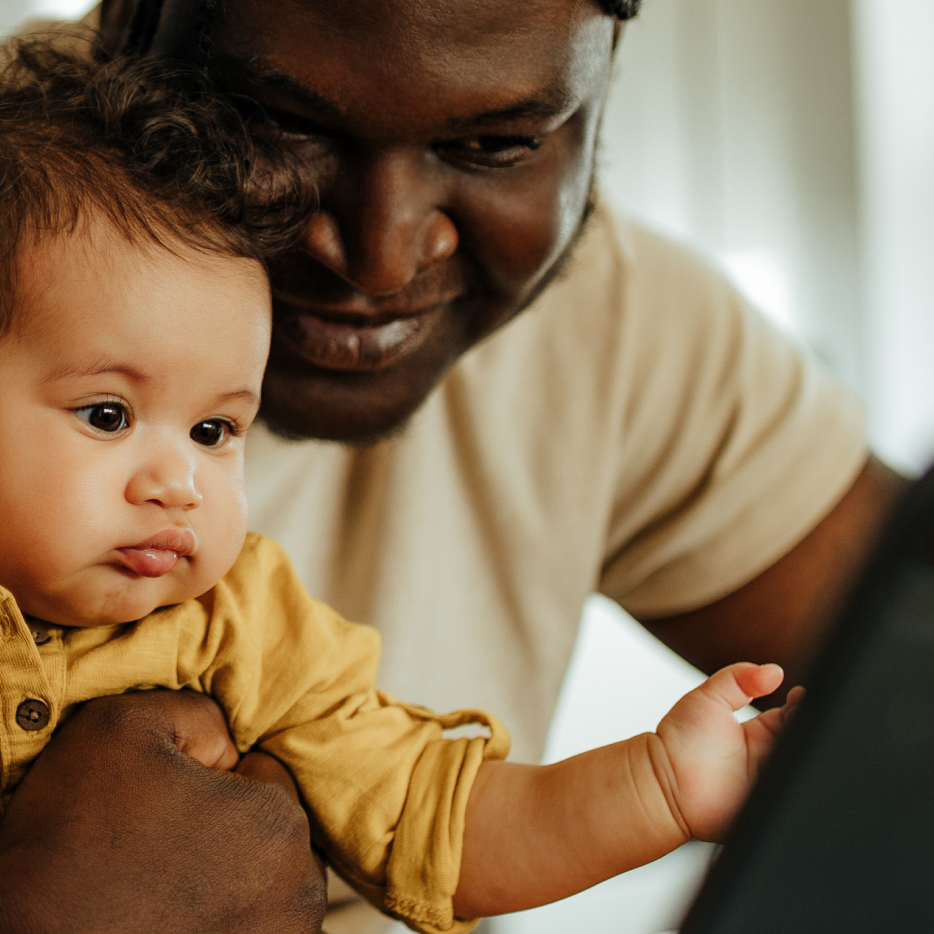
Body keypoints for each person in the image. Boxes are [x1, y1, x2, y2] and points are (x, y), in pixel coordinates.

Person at [7, 1, 910, 931]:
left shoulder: (242, 628)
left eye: (498, 142)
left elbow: (438, 814)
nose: (383, 260)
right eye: (284, 124)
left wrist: (658, 785)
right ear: (129, 18)